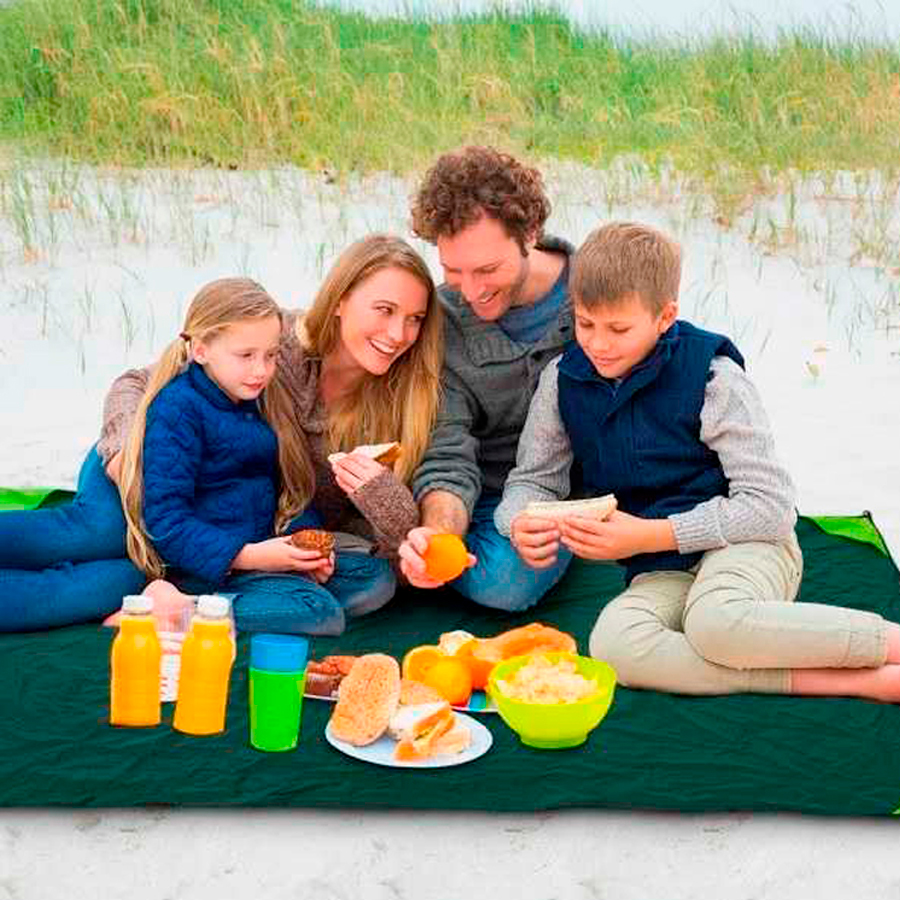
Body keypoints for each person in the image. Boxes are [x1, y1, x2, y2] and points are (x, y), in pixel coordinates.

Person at [494, 221, 900, 701]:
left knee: (715, 622)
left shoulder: (714, 378)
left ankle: (889, 644)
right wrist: (519, 521)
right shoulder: (562, 380)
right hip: (661, 569)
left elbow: (771, 508)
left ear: (665, 317)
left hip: (749, 546)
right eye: (586, 324)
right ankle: (856, 682)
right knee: (613, 646)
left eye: (618, 328)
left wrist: (651, 534)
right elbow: (532, 482)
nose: (598, 344)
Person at [101, 235, 443, 632]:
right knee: (317, 612)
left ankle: (227, 604)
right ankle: (179, 609)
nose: (399, 333)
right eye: (384, 310)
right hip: (174, 511)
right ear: (339, 300)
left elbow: (286, 490)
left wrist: (319, 540)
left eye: (415, 318)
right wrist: (128, 457)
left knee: (375, 582)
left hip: (264, 538)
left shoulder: (408, 395)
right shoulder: (271, 349)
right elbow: (139, 384)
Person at [398, 146, 575, 610]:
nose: (472, 291)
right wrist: (437, 539)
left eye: (487, 270)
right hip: (486, 496)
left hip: (578, 492)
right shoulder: (443, 320)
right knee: (500, 581)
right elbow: (447, 452)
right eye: (453, 271)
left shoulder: (595, 293)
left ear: (531, 233)